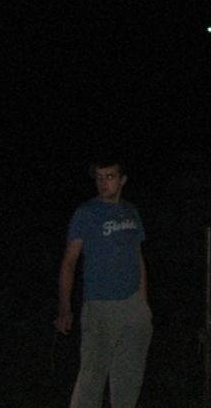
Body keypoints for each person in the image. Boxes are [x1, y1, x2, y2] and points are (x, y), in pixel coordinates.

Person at [55, 157, 152, 408]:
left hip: (132, 305)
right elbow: (69, 262)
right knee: (91, 378)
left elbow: (138, 257)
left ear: (122, 180)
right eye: (99, 178)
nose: (103, 183)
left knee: (129, 377)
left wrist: (143, 304)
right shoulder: (86, 213)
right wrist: (65, 307)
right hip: (100, 305)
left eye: (110, 177)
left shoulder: (131, 211)